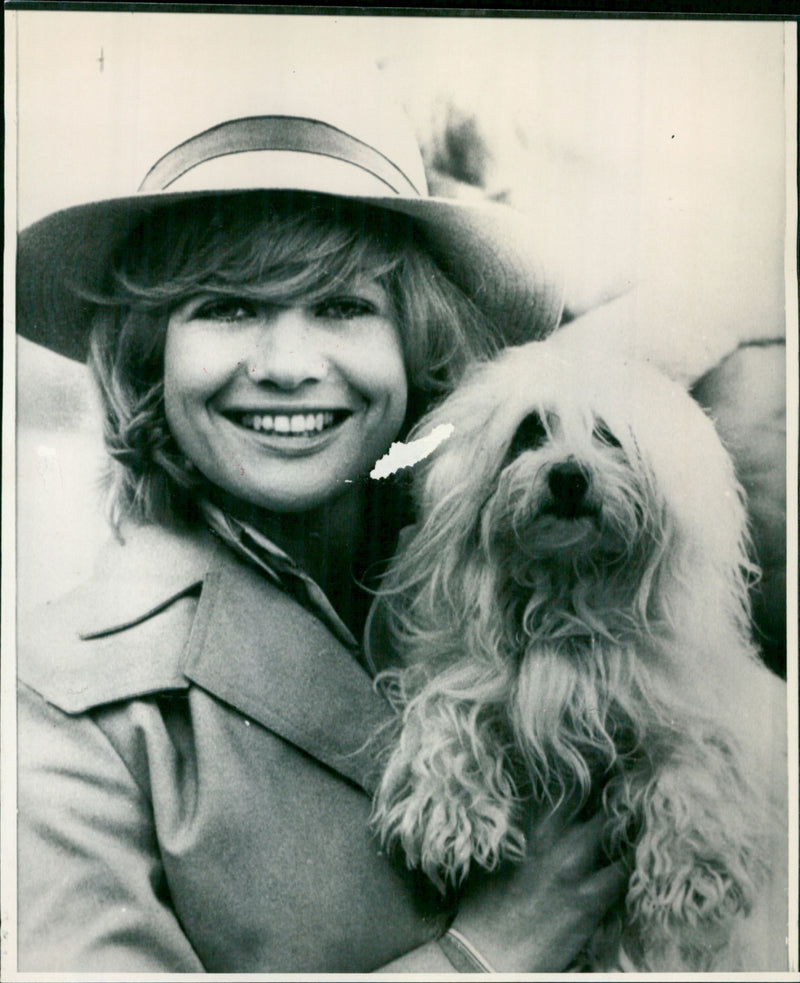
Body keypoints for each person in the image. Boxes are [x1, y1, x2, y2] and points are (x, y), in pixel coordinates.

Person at [15, 58, 627, 973]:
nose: (289, 362)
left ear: (416, 346)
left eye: (344, 305)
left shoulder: (536, 581)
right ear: (150, 359)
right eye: (226, 306)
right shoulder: (61, 703)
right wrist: (484, 953)